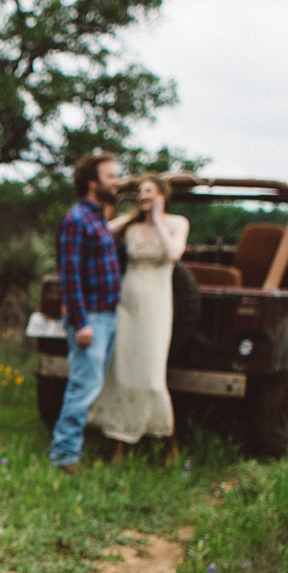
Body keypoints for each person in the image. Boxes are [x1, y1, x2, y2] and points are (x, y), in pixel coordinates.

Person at [89, 174, 189, 463]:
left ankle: (168, 439)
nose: (143, 196)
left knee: (151, 377)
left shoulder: (175, 223)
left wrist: (157, 218)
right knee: (121, 373)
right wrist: (132, 215)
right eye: (140, 192)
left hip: (156, 308)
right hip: (127, 304)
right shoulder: (131, 226)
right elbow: (101, 231)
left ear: (162, 194)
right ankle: (118, 444)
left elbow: (174, 253)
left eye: (149, 191)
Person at [49, 153, 123, 472]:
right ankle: (64, 454)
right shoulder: (77, 219)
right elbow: (70, 274)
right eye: (111, 176)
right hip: (90, 318)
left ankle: (71, 449)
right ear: (92, 183)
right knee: (83, 386)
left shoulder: (98, 219)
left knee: (89, 386)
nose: (117, 182)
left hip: (107, 316)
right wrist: (80, 322)